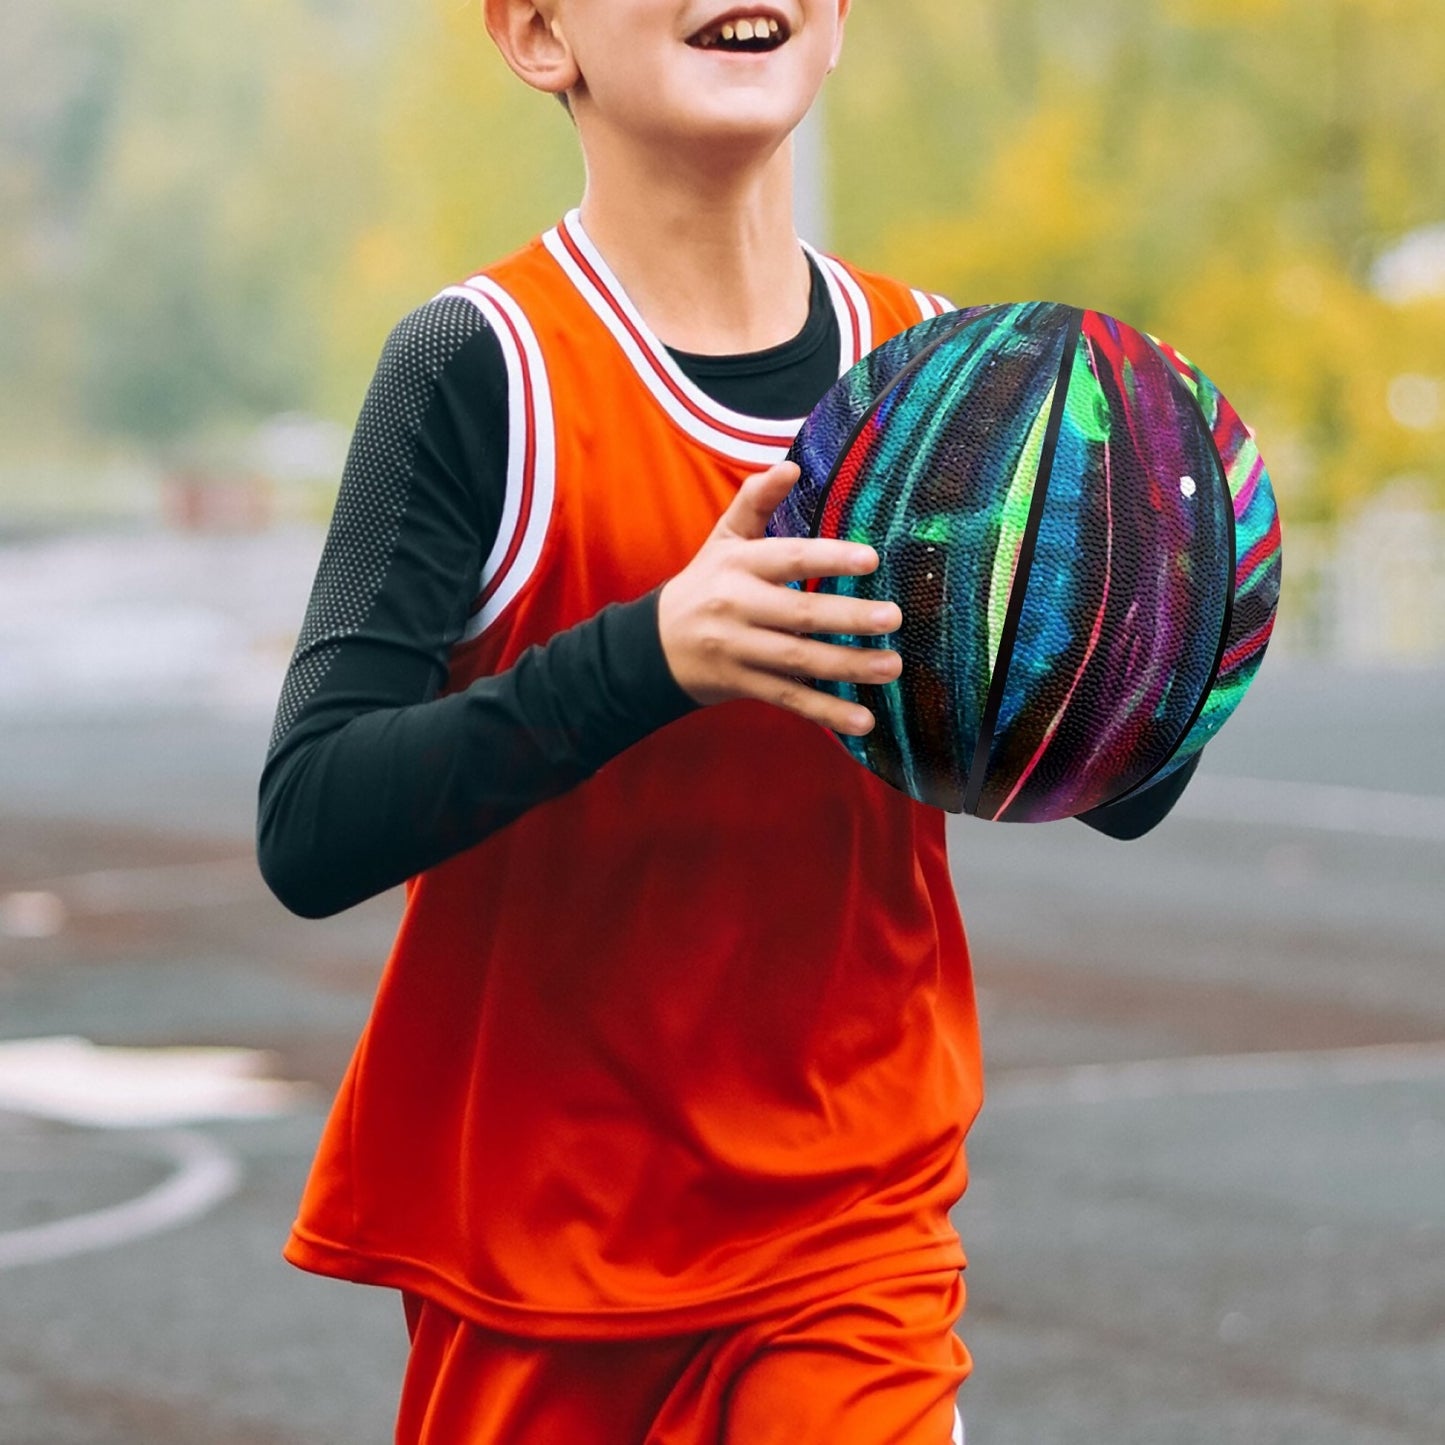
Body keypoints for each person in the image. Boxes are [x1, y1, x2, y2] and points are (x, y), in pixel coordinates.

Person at [257, 2, 1194, 1439]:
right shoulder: (479, 367)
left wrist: (1163, 619)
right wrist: (651, 654)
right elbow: (311, 822)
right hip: (540, 1242)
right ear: (534, 35)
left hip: (848, 1221)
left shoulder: (951, 383)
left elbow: (1111, 783)